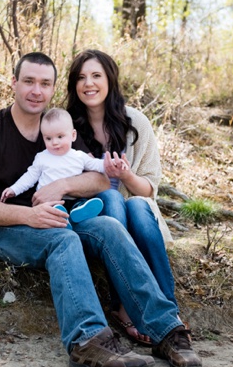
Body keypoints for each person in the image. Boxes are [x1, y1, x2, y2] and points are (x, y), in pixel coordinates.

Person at [0, 51, 201, 367]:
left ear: (53, 88)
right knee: (63, 241)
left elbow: (100, 178)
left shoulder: (58, 131)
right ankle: (88, 340)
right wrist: (30, 216)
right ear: (14, 83)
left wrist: (63, 186)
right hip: (5, 228)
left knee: (110, 228)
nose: (36, 91)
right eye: (28, 81)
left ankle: (166, 329)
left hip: (60, 217)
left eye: (44, 84)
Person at [66, 49, 181, 347]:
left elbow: (149, 188)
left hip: (136, 215)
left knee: (139, 205)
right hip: (96, 218)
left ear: (110, 80)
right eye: (81, 77)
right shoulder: (66, 127)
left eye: (96, 76)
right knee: (112, 199)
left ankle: (169, 311)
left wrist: (126, 175)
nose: (88, 84)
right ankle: (126, 305)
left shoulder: (137, 123)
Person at [0, 108, 104, 227]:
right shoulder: (42, 157)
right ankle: (62, 219)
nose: (54, 142)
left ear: (73, 135)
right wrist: (14, 189)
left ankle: (79, 213)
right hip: (50, 201)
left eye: (60, 137)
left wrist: (111, 164)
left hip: (73, 197)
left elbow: (97, 165)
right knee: (52, 209)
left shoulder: (79, 156)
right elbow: (29, 177)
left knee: (80, 202)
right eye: (48, 138)